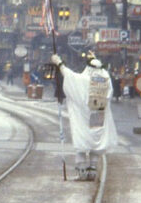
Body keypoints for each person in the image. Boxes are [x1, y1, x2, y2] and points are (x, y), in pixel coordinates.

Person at [50, 51, 117, 181]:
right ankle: (92, 170)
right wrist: (94, 58)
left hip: (83, 117)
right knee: (95, 145)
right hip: (98, 115)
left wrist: (59, 62)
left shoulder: (84, 80)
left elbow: (70, 76)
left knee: (82, 142)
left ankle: (81, 171)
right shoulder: (106, 80)